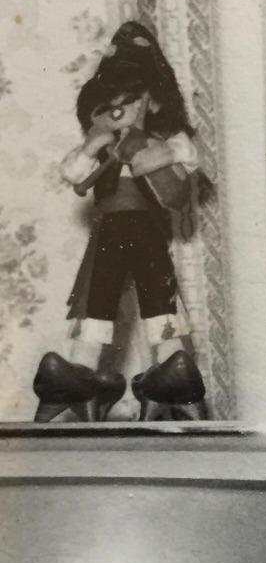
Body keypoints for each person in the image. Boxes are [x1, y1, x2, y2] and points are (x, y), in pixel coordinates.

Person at [33, 21, 206, 422]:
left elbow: (186, 155)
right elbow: (74, 174)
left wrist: (158, 152)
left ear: (153, 103)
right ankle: (82, 370)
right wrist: (94, 143)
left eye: (128, 102)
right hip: (108, 232)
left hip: (147, 232)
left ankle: (171, 367)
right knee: (96, 301)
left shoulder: (160, 144)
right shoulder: (103, 146)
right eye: (108, 105)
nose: (118, 111)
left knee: (159, 300)